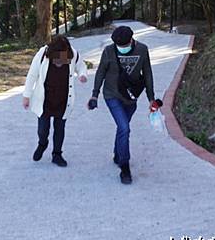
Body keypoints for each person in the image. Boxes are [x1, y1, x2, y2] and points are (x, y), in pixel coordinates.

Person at [88, 25, 160, 184]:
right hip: (111, 95)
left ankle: (117, 154)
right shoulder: (108, 51)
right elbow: (100, 72)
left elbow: (147, 73)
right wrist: (94, 95)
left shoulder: (142, 50)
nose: (122, 49)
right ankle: (124, 166)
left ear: (131, 40)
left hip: (131, 97)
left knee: (122, 128)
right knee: (124, 128)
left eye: (125, 46)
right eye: (119, 47)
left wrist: (151, 99)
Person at [23, 34, 87, 167]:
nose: (59, 61)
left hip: (63, 99)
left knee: (60, 128)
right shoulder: (43, 54)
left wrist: (82, 75)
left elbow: (81, 66)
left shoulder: (71, 54)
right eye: (56, 57)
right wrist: (26, 96)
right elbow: (32, 74)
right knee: (43, 129)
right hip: (45, 99)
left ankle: (57, 154)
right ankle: (42, 144)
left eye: (61, 57)